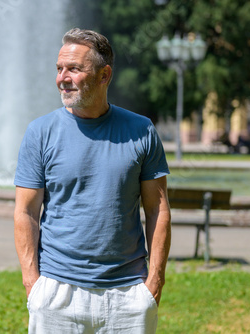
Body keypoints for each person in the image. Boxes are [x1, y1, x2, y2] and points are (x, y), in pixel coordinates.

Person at [14, 28, 171, 333]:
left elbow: (158, 209)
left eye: (74, 69)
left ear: (104, 76)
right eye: (59, 69)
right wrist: (33, 283)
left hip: (128, 295)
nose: (63, 78)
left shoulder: (142, 130)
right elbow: (25, 211)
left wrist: (154, 281)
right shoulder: (40, 132)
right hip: (56, 292)